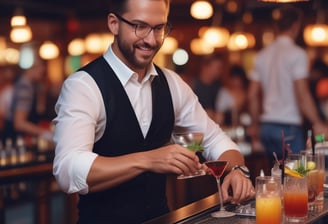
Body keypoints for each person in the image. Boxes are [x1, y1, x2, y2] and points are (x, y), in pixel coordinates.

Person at [53, 0, 254, 223]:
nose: (151, 39)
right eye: (140, 26)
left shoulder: (172, 83)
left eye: (159, 28)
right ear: (114, 24)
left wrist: (236, 170)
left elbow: (215, 140)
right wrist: (148, 160)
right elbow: (68, 169)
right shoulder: (84, 85)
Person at [248, 6, 326, 162]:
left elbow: (251, 95)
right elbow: (302, 94)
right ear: (296, 25)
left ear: (277, 26)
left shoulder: (262, 55)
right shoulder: (297, 54)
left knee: (275, 176)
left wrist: (256, 124)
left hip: (267, 127)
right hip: (288, 126)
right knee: (296, 177)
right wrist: (318, 122)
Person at [2, 52, 52, 144]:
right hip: (15, 140)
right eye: (41, 66)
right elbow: (19, 123)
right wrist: (46, 133)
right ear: (33, 67)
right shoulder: (25, 87)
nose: (43, 70)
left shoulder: (30, 85)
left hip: (16, 138)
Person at [192, 53, 225, 121]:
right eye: (218, 67)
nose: (220, 71)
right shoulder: (193, 86)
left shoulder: (218, 87)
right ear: (205, 67)